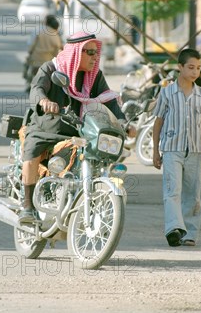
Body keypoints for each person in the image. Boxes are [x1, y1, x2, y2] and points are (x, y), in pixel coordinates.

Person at [20, 32, 136, 224]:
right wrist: (44, 101)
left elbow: (108, 100)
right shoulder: (51, 68)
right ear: (75, 53)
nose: (94, 57)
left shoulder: (94, 75)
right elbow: (36, 89)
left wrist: (124, 123)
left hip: (77, 130)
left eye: (95, 52)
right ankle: (27, 207)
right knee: (32, 153)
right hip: (45, 128)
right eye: (89, 52)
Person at [152, 48, 201, 247]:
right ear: (179, 67)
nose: (195, 71)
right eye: (190, 67)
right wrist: (155, 150)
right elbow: (158, 122)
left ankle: (189, 233)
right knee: (172, 190)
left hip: (195, 150)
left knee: (193, 194)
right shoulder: (167, 93)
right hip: (172, 149)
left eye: (198, 68)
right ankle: (173, 229)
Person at [24, 15, 63, 91]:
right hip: (47, 61)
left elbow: (31, 44)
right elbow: (57, 50)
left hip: (36, 59)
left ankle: (30, 85)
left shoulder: (38, 30)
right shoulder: (55, 35)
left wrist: (30, 53)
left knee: (33, 74)